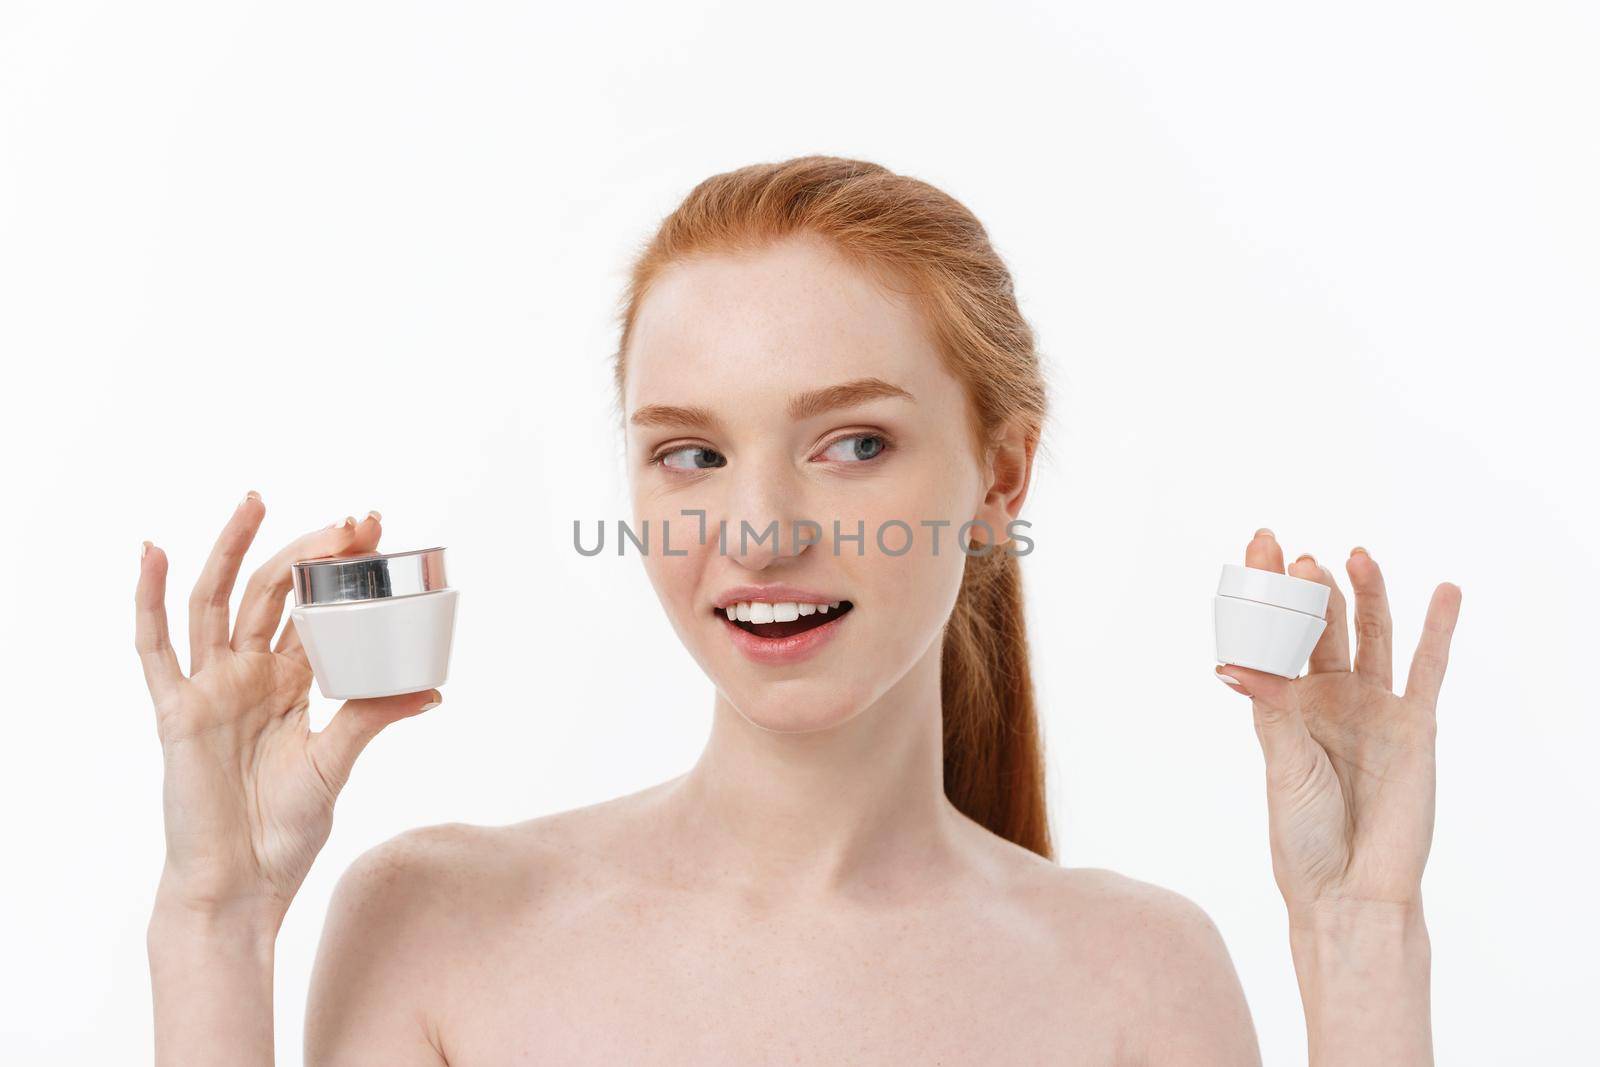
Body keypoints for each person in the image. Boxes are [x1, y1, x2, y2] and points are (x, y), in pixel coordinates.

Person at [135, 155, 1462, 1064]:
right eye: (692, 455)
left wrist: (1361, 943)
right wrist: (215, 917)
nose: (759, 534)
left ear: (998, 477)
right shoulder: (433, 923)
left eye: (853, 444)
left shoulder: (1140, 976)